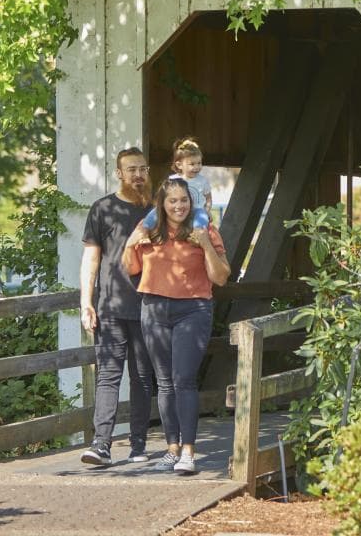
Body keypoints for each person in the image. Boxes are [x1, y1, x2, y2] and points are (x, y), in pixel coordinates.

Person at [123, 176, 230, 475]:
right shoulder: (150, 229)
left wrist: (205, 243)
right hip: (154, 309)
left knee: (183, 378)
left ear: (190, 201)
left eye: (184, 200)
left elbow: (221, 276)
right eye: (173, 201)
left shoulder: (203, 228)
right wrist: (131, 244)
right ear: (163, 204)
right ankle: (171, 448)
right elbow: (130, 267)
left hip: (192, 309)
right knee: (165, 381)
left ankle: (188, 452)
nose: (179, 205)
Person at [78, 147, 155, 466]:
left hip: (148, 306)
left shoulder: (158, 211)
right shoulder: (103, 209)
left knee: (141, 377)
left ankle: (138, 443)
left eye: (142, 169)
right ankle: (101, 445)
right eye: (131, 170)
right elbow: (91, 258)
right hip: (109, 307)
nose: (137, 175)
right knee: (108, 375)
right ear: (119, 173)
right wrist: (86, 302)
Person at [138, 136, 211, 234]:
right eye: (192, 164)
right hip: (177, 210)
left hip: (196, 210)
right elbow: (162, 196)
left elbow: (208, 198)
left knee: (202, 217)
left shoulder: (203, 181)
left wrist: (207, 210)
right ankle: (144, 232)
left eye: (199, 163)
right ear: (179, 165)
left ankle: (197, 235)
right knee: (155, 212)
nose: (197, 167)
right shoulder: (173, 179)